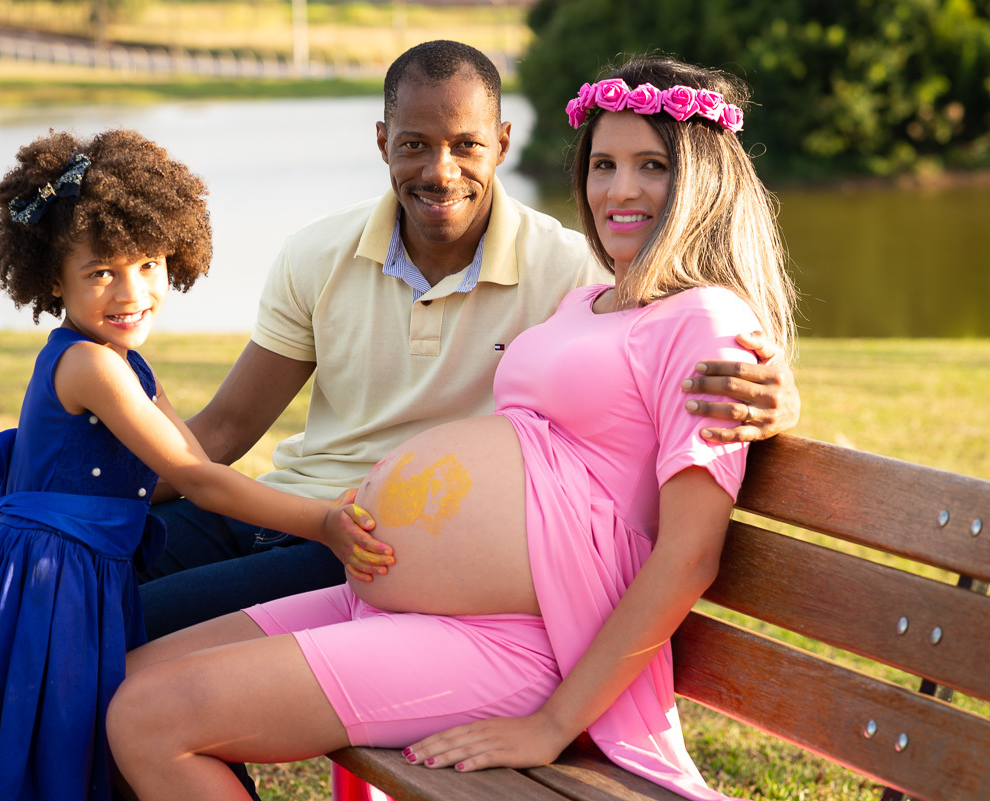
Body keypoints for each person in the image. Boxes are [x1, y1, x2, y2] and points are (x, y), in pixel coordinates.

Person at [106, 55, 796, 801]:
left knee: (148, 718)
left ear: (701, 178)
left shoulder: (700, 317)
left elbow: (689, 555)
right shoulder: (592, 301)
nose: (619, 189)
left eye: (651, 166)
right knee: (128, 678)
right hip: (398, 589)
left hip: (519, 636)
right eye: (603, 164)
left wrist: (553, 723)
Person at [0, 129, 373, 801]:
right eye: (102, 272)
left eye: (149, 264)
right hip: (47, 579)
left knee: (85, 732)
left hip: (82, 567)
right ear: (54, 279)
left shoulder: (126, 363)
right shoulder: (90, 364)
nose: (132, 292)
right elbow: (198, 479)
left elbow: (182, 463)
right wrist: (323, 521)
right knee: (53, 739)